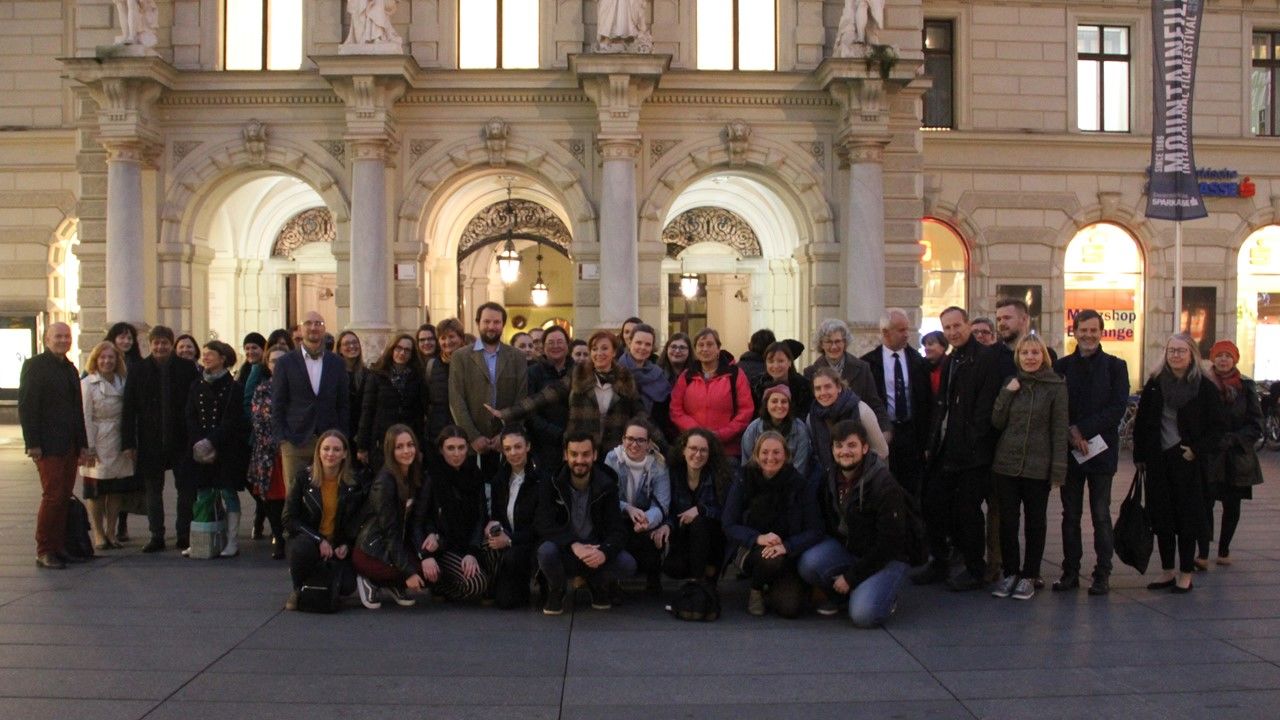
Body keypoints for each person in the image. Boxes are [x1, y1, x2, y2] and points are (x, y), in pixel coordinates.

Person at [799, 419, 921, 626]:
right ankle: (846, 595)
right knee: (809, 564)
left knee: (864, 615)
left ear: (865, 448)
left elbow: (890, 543)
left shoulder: (883, 483)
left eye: (852, 445)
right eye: (839, 446)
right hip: (853, 549)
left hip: (888, 556)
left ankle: (883, 596)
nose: (844, 451)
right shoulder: (830, 476)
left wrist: (851, 577)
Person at [916, 306, 1004, 591]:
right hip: (947, 448)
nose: (953, 332)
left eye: (957, 326)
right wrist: (932, 444)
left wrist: (973, 441)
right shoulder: (952, 359)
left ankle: (974, 568)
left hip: (973, 452)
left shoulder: (987, 358)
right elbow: (941, 405)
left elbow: (985, 407)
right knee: (933, 502)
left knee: (968, 510)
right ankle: (940, 561)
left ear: (967, 324)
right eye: (947, 327)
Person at [1133, 333, 1227, 594]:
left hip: (1187, 462)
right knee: (1161, 517)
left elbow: (1218, 427)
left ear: (1192, 355)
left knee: (1188, 519)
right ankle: (1167, 571)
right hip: (1158, 460)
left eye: (1181, 351)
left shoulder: (1204, 387)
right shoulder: (1155, 384)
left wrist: (1196, 450)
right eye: (1171, 350)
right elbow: (1142, 422)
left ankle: (1185, 573)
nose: (1175, 355)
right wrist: (1140, 456)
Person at [1052, 309, 1129, 595]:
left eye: (1093, 330)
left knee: (1101, 514)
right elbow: (1056, 406)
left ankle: (1102, 574)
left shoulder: (1116, 367)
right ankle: (1070, 572)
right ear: (1074, 332)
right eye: (1083, 330)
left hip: (1101, 451)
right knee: (1070, 515)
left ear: (1101, 332)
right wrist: (1070, 433)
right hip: (1070, 451)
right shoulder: (1061, 367)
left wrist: (1081, 430)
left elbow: (1117, 408)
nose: (1088, 335)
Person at [989, 334, 1068, 601]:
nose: (1030, 358)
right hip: (1006, 464)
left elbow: (1059, 430)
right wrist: (1007, 393)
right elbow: (997, 421)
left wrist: (1058, 470)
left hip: (1038, 465)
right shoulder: (1011, 383)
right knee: (1008, 521)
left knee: (1036, 522)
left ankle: (1030, 575)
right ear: (1018, 357)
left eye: (1035, 353)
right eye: (1025, 353)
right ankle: (1011, 572)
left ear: (1043, 356)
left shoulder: (1056, 386)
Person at [723, 432, 823, 618]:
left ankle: (772, 586)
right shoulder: (744, 478)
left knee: (790, 609)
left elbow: (816, 529)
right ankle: (756, 589)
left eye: (776, 452)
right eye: (765, 452)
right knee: (770, 559)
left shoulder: (799, 484)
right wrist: (758, 538)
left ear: (786, 455)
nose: (770, 457)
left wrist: (787, 546)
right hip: (750, 547)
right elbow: (728, 524)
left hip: (787, 551)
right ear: (756, 454)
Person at [535, 432, 637, 615]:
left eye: (586, 454)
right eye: (574, 454)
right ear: (565, 455)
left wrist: (604, 552)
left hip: (594, 549)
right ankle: (557, 589)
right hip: (565, 549)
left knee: (627, 564)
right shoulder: (552, 482)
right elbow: (543, 523)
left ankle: (597, 583)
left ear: (595, 455)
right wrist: (573, 544)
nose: (580, 460)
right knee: (545, 551)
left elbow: (618, 530)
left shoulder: (607, 484)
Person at [496, 330, 643, 453]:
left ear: (614, 352)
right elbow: (543, 397)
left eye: (604, 348)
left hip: (614, 449)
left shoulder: (625, 378)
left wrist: (655, 442)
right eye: (594, 349)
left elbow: (640, 413)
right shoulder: (579, 374)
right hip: (582, 448)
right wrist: (506, 413)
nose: (599, 353)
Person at [123, 325, 201, 553]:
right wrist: (128, 442)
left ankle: (184, 534)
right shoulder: (138, 369)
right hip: (150, 440)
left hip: (182, 439)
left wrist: (196, 437)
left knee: (186, 489)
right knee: (152, 490)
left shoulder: (187, 368)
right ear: (150, 344)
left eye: (164, 343)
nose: (160, 347)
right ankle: (156, 535)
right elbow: (129, 408)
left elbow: (196, 404)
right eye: (156, 343)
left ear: (171, 344)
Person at [20, 323, 88, 569]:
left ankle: (59, 547)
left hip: (69, 444)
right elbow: (27, 406)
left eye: (66, 336)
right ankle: (45, 550)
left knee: (63, 497)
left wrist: (82, 445)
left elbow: (77, 410)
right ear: (46, 339)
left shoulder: (70, 368)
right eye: (58, 336)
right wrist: (32, 443)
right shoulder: (35, 365)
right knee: (53, 496)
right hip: (47, 445)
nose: (63, 340)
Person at [282, 429, 364, 611]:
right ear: (318, 452)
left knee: (347, 586)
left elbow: (357, 521)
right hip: (308, 540)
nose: (330, 454)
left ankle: (321, 585)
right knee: (302, 550)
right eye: (326, 449)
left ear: (344, 454)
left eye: (336, 449)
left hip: (337, 544)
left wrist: (346, 545)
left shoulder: (354, 484)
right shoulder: (303, 479)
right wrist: (319, 540)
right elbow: (289, 518)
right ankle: (299, 589)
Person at [271, 311, 350, 493]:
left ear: (324, 329)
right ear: (300, 329)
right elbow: (278, 402)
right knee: (294, 495)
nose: (313, 327)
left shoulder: (337, 363)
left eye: (318, 324)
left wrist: (342, 434)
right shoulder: (285, 363)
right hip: (294, 440)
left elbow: (343, 403)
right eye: (308, 323)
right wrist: (282, 438)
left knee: (329, 492)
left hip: (329, 440)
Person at [185, 340, 250, 559]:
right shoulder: (196, 385)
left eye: (210, 354)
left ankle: (232, 541)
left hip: (226, 447)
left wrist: (211, 442)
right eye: (203, 354)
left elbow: (232, 420)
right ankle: (202, 539)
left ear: (222, 358)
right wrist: (198, 441)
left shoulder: (233, 387)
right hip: (200, 448)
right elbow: (190, 415)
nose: (205, 357)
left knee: (228, 492)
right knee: (202, 492)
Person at [1201, 340, 1263, 567]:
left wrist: (1235, 439)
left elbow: (1256, 423)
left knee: (1232, 504)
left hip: (1237, 457)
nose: (1223, 360)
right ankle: (1203, 551)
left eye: (1228, 356)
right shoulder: (1203, 383)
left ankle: (1224, 549)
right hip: (1210, 454)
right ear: (1213, 358)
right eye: (1219, 355)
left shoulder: (1246, 386)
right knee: (1205, 503)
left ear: (1235, 359)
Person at [411, 426, 491, 602]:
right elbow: (418, 520)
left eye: (461, 448)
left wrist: (472, 552)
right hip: (443, 545)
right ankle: (439, 584)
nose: (456, 454)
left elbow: (481, 516)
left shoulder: (475, 473)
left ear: (467, 448)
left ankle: (486, 583)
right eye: (450, 448)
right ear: (441, 450)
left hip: (469, 541)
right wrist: (425, 555)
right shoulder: (432, 476)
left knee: (496, 545)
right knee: (476, 584)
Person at [448, 302, 528, 475]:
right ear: (478, 323)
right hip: (472, 444)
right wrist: (473, 436)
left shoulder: (517, 357)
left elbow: (521, 400)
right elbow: (456, 399)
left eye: (496, 322)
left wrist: (506, 434)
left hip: (507, 444)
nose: (491, 326)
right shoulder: (460, 357)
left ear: (503, 324)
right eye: (487, 321)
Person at [352, 425, 426, 609]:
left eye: (410, 445)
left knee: (429, 569)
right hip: (371, 550)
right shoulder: (384, 483)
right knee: (415, 572)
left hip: (394, 546)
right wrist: (408, 573)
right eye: (399, 447)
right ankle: (370, 579)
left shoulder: (414, 475)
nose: (406, 451)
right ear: (390, 451)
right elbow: (389, 532)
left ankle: (392, 583)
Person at [861, 309, 933, 497]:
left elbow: (927, 404)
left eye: (907, 329)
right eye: (901, 330)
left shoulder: (918, 362)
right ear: (885, 332)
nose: (907, 334)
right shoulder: (868, 364)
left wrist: (927, 442)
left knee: (912, 491)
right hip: (882, 434)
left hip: (912, 436)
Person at [603, 418, 671, 593]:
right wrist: (627, 508)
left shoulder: (659, 464)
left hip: (644, 520)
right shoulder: (612, 459)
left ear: (649, 443)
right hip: (617, 516)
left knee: (654, 536)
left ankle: (653, 577)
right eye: (630, 439)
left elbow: (662, 504)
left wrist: (646, 519)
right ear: (623, 439)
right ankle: (613, 582)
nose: (634, 444)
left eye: (641, 440)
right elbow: (606, 497)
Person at [80, 341, 137, 550]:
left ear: (117, 360)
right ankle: (98, 533)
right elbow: (85, 416)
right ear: (95, 360)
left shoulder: (124, 381)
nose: (107, 361)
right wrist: (88, 446)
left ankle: (112, 532)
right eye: (102, 357)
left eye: (111, 357)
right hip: (97, 439)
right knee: (96, 490)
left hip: (120, 438)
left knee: (116, 490)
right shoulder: (88, 383)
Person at [670, 328, 755, 467]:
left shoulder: (735, 374)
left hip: (726, 451)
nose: (705, 349)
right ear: (695, 350)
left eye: (710, 344)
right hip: (693, 450)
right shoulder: (686, 376)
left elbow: (745, 410)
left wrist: (721, 434)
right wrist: (698, 433)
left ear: (718, 348)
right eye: (700, 345)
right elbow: (675, 410)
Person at [483, 428, 545, 608]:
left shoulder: (541, 479)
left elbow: (541, 526)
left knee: (514, 557)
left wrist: (510, 540)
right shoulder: (499, 479)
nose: (513, 453)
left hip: (533, 543)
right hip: (509, 545)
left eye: (518, 447)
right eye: (508, 449)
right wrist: (493, 525)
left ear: (528, 446)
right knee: (505, 602)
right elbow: (497, 514)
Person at [664, 428, 729, 583]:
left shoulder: (719, 475)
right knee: (672, 568)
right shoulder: (674, 474)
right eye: (693, 448)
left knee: (699, 522)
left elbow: (726, 512)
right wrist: (667, 525)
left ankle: (699, 580)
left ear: (710, 453)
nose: (698, 454)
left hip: (713, 539)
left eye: (703, 450)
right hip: (683, 536)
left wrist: (700, 510)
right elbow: (669, 508)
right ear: (683, 450)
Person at [804, 319, 890, 432]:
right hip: (824, 433)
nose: (834, 347)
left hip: (856, 431)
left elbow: (874, 403)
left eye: (838, 341)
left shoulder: (862, 368)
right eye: (828, 342)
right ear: (821, 344)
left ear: (845, 342)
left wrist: (885, 431)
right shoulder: (810, 372)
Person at [358, 334, 425, 472]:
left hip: (407, 441)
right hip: (381, 440)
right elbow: (367, 411)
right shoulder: (376, 375)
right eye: (398, 348)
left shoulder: (417, 378)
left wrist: (419, 447)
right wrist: (362, 446)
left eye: (407, 350)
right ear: (392, 349)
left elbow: (419, 415)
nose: (402, 353)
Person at [247, 346, 289, 559]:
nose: (278, 365)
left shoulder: (299, 386)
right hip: (269, 452)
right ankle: (279, 537)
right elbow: (259, 420)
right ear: (268, 364)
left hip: (293, 448)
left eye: (282, 361)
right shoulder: (262, 389)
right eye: (273, 361)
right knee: (272, 498)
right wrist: (276, 443)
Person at [807, 367, 888, 478]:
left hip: (865, 478)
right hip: (830, 479)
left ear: (839, 387)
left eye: (828, 387)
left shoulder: (861, 410)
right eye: (818, 388)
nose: (823, 392)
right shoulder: (812, 417)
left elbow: (882, 451)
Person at [525, 325, 572, 475]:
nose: (555, 346)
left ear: (567, 345)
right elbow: (529, 411)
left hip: (574, 442)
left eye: (560, 342)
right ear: (543, 347)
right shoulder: (532, 373)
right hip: (542, 443)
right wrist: (556, 433)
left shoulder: (579, 371)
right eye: (550, 343)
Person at [741, 384, 813, 476]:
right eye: (774, 401)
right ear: (766, 405)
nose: (779, 405)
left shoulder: (800, 430)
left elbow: (800, 468)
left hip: (791, 482)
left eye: (784, 402)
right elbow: (747, 466)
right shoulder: (752, 430)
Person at [618, 322, 671, 419]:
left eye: (648, 344)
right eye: (638, 343)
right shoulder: (616, 372)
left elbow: (664, 411)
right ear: (629, 343)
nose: (643, 347)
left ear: (652, 348)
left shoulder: (658, 374)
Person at [425, 318, 465, 444]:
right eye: (443, 338)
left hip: (464, 432)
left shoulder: (471, 363)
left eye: (451, 336)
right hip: (438, 432)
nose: (447, 342)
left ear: (461, 338)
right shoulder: (432, 365)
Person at [750, 340, 813, 419]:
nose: (776, 366)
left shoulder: (804, 387)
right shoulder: (756, 385)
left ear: (790, 362)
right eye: (771, 361)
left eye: (780, 361)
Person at [336, 331, 368, 466]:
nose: (352, 346)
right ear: (339, 349)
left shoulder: (367, 374)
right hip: (340, 432)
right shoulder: (334, 375)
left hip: (360, 434)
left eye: (355, 342)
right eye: (347, 343)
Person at [921, 331, 948, 398]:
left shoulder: (951, 366)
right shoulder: (919, 366)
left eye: (930, 344)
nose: (926, 348)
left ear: (943, 346)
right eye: (925, 345)